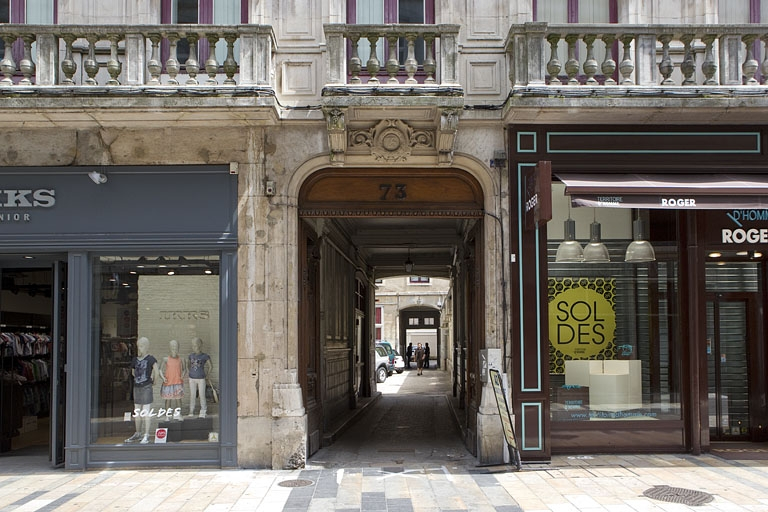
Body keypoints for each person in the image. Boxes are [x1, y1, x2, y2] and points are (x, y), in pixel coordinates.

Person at [125, 336, 158, 444]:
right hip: (137, 387)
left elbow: (156, 371)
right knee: (137, 411)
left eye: (142, 346)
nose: (140, 348)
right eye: (139, 346)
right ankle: (138, 433)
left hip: (146, 387)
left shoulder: (151, 359)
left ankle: (146, 434)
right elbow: (133, 372)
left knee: (146, 412)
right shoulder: (135, 359)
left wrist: (154, 381)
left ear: (147, 347)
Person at [159, 339, 187, 420]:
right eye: (172, 347)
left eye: (176, 347)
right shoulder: (166, 359)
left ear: (178, 348)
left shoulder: (181, 359)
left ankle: (178, 414)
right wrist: (163, 377)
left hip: (178, 382)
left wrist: (182, 375)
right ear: (169, 348)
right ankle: (168, 415)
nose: (174, 348)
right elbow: (160, 369)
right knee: (168, 400)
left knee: (178, 399)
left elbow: (185, 369)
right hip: (168, 382)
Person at [188, 337, 212, 418]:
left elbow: (210, 366)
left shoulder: (204, 356)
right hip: (192, 378)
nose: (194, 347)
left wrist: (207, 375)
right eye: (193, 345)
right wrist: (189, 372)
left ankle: (203, 410)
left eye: (195, 345)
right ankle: (191, 410)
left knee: (202, 394)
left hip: (201, 378)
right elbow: (188, 365)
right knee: (192, 395)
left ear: (200, 345)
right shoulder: (191, 355)